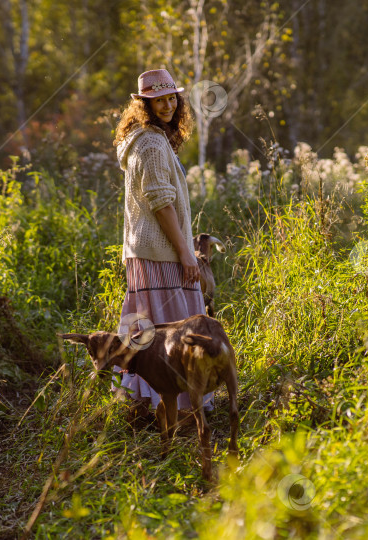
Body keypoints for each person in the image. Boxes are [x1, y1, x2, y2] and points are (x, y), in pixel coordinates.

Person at [112, 68, 214, 413]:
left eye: (172, 97)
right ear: (145, 104)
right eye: (160, 100)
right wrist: (187, 254)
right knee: (178, 329)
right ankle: (182, 408)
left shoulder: (144, 138)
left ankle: (148, 404)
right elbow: (160, 203)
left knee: (149, 329)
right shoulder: (153, 143)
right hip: (162, 252)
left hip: (147, 251)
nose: (169, 105)